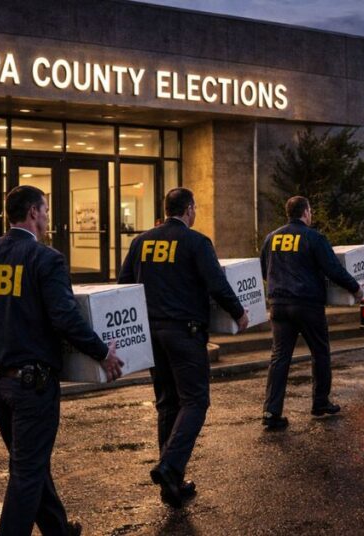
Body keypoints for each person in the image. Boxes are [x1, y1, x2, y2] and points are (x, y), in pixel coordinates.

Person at [0, 185, 124, 536]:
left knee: (30, 461)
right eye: (45, 211)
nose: (47, 218)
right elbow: (65, 318)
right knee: (27, 472)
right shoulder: (46, 258)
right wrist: (102, 352)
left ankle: (57, 530)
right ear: (33, 212)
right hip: (31, 384)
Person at [118, 187, 248, 508]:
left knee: (167, 404)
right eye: (195, 208)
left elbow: (124, 284)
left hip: (152, 333)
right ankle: (170, 465)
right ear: (189, 209)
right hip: (184, 333)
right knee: (195, 401)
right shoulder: (196, 242)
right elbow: (217, 283)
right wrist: (238, 312)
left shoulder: (140, 242)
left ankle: (171, 486)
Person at [259, 196, 363, 430]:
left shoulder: (271, 238)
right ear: (305, 212)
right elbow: (333, 268)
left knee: (279, 357)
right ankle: (320, 402)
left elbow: (264, 270)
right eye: (311, 211)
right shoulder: (313, 237)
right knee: (320, 352)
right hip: (307, 304)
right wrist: (355, 288)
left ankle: (271, 411)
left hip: (278, 304)